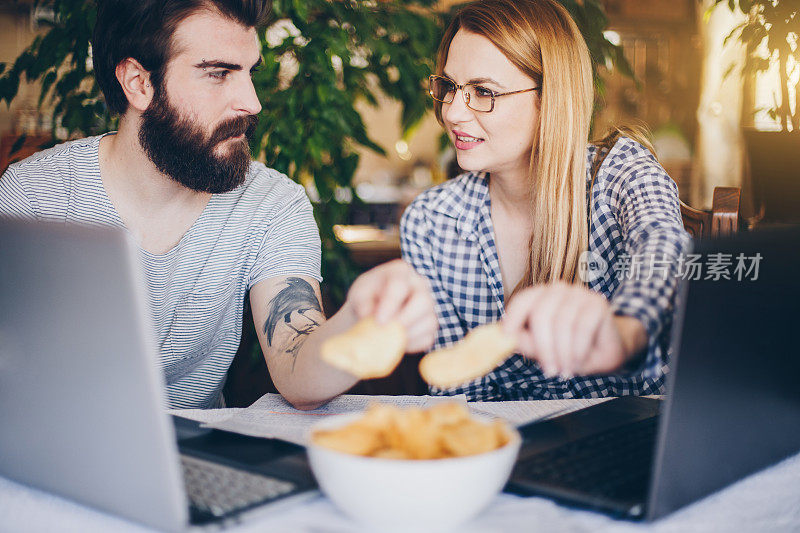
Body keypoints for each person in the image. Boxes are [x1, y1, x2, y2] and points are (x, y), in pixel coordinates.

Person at [0, 0, 437, 410]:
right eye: (218, 73)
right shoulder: (32, 198)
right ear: (138, 82)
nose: (252, 102)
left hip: (200, 467)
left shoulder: (272, 203)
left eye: (249, 72)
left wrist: (358, 323)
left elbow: (297, 364)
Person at [401, 0, 690, 401]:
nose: (452, 112)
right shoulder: (431, 221)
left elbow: (664, 247)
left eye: (483, 91)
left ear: (550, 97)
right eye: (449, 87)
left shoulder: (621, 173)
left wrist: (624, 331)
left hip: (634, 438)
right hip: (511, 453)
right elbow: (457, 396)